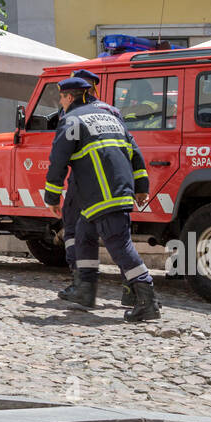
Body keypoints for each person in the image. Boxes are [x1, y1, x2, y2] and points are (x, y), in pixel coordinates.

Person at [43, 76, 161, 322]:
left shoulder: (72, 120)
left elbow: (58, 160)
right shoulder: (112, 116)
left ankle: (147, 298)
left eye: (62, 98)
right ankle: (86, 289)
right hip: (112, 191)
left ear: (70, 97)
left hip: (102, 195)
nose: (61, 103)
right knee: (84, 234)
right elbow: (134, 152)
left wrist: (52, 196)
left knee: (119, 245)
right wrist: (142, 187)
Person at [55, 68, 136, 307]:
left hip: (83, 185)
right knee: (119, 239)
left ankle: (80, 283)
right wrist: (141, 183)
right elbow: (132, 147)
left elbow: (62, 152)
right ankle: (131, 289)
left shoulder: (71, 113)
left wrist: (52, 192)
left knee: (75, 232)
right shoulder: (111, 111)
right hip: (113, 183)